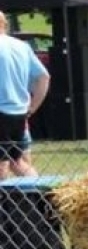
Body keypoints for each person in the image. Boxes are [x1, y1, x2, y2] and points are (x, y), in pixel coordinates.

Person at [0, 10, 49, 179]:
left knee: (2, 165)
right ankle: (39, 197)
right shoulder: (22, 46)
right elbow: (44, 77)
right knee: (18, 162)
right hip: (20, 113)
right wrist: (32, 107)